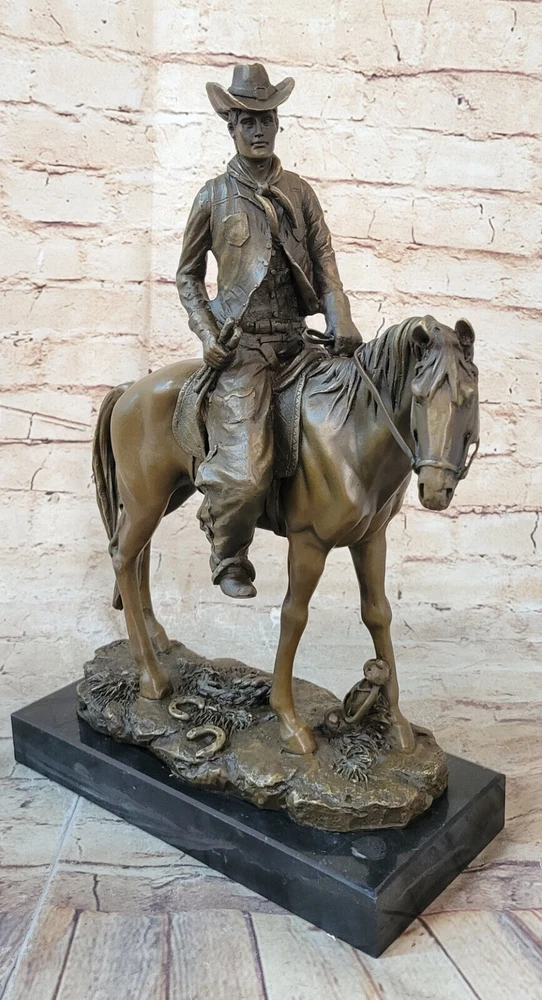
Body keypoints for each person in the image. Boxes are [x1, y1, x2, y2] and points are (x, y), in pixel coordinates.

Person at [176, 63, 362, 599]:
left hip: (299, 342)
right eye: (247, 122)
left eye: (267, 120)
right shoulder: (213, 196)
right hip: (245, 349)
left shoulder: (300, 192)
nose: (258, 131)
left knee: (362, 414)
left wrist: (340, 319)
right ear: (231, 127)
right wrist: (208, 334)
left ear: (278, 124)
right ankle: (229, 551)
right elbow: (188, 276)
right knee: (248, 470)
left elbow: (325, 265)